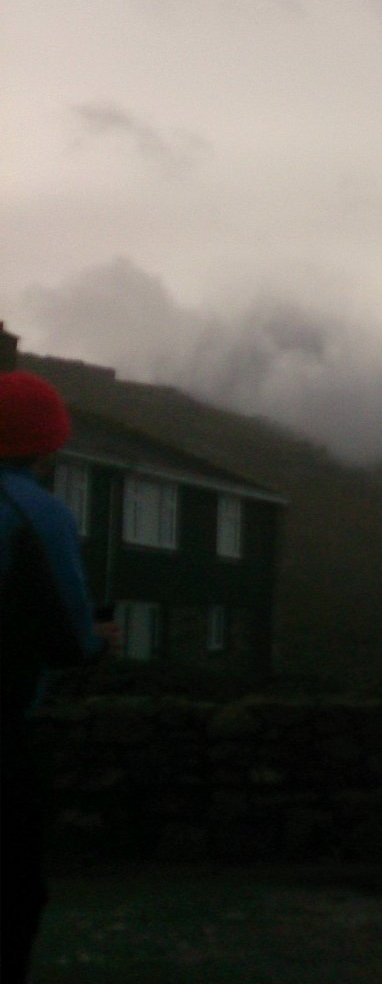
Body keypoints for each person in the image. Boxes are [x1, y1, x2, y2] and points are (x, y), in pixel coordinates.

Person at [0, 372, 111, 984]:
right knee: (15, 891)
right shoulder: (36, 512)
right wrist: (98, 641)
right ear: (47, 447)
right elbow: (73, 639)